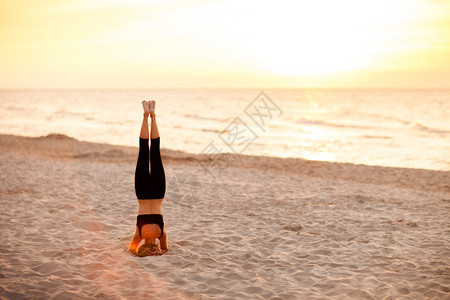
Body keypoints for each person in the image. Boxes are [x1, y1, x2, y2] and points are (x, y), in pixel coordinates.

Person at [129, 100, 168, 256]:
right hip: (142, 193)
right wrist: (140, 253)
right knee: (144, 152)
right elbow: (132, 249)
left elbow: (165, 248)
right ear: (142, 245)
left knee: (155, 152)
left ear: (155, 246)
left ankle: (153, 115)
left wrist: (160, 252)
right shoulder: (140, 234)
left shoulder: (161, 234)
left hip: (158, 193)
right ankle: (146, 115)